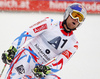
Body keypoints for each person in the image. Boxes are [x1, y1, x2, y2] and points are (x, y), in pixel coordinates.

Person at [1, 3, 87, 79]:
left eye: (80, 18)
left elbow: (60, 63)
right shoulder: (49, 23)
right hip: (26, 56)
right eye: (75, 15)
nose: (76, 19)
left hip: (39, 68)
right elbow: (27, 34)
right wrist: (13, 49)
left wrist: (46, 68)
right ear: (67, 13)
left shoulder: (73, 44)